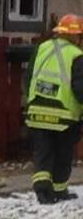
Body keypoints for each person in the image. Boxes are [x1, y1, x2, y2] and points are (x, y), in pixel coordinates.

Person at [25, 14, 83, 205]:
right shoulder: (76, 55)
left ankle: (43, 191)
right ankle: (59, 190)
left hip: (37, 111)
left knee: (43, 152)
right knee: (62, 153)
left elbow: (29, 77)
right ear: (76, 36)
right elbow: (80, 88)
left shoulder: (42, 48)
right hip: (63, 115)